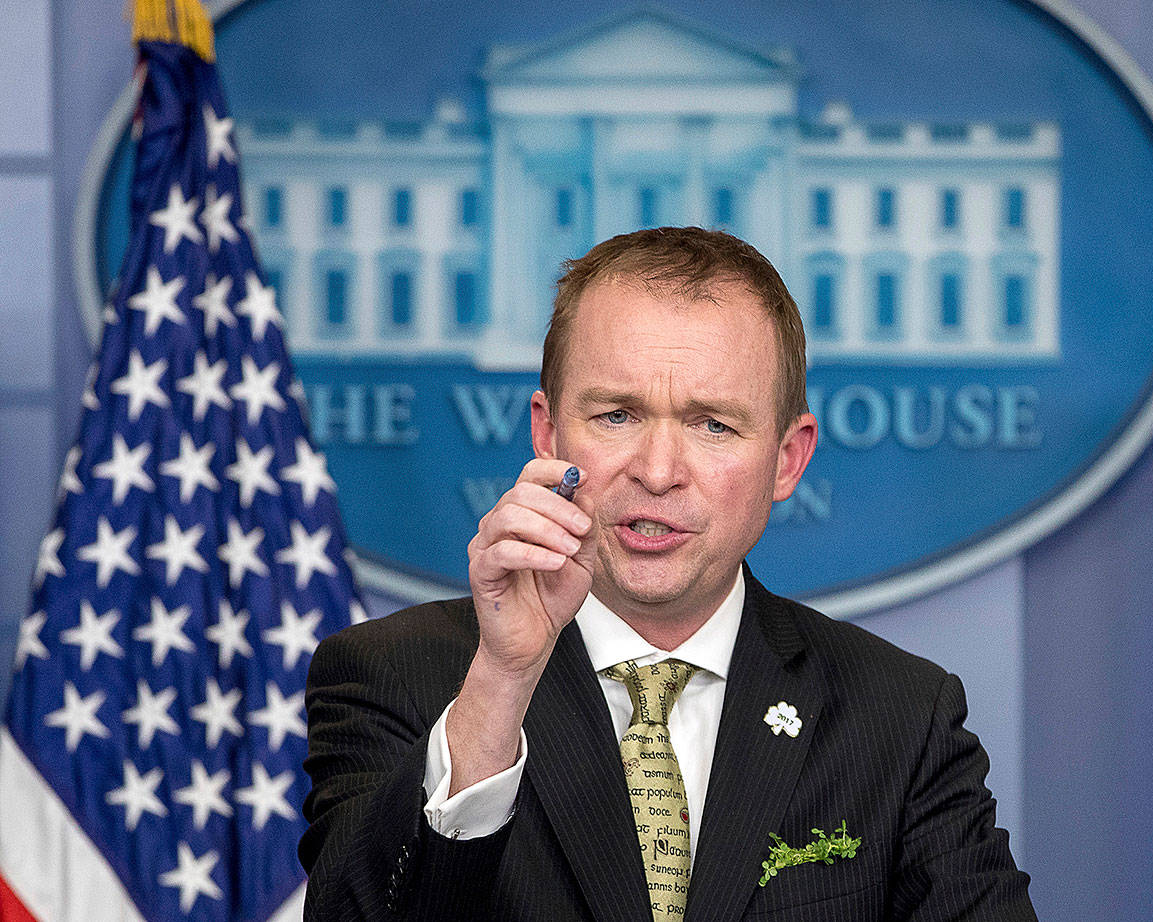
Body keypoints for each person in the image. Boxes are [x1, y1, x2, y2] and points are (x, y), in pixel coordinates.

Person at [299, 226, 1037, 921]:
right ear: (547, 432)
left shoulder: (900, 717)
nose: (657, 472)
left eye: (713, 424)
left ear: (787, 459)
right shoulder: (390, 675)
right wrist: (502, 679)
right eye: (617, 415)